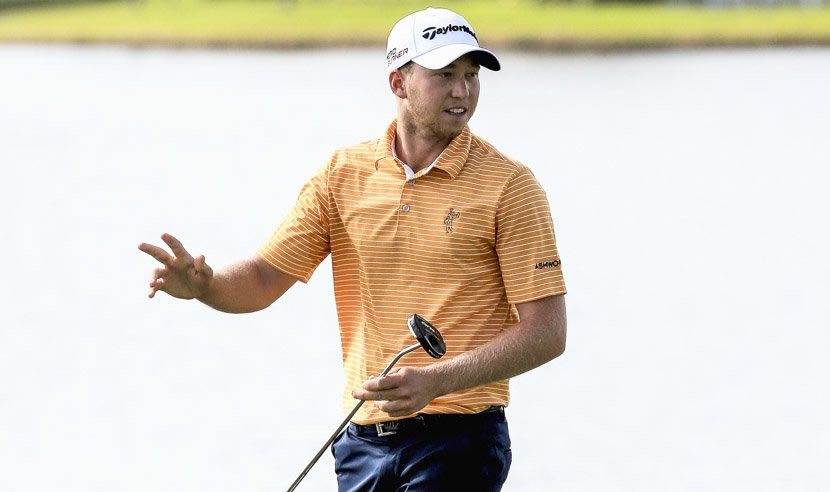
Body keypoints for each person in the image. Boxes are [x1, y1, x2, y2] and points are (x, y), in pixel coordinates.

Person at [138, 7, 567, 491]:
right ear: (398, 83)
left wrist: (436, 381)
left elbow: (547, 332)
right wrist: (207, 287)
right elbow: (262, 278)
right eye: (444, 75)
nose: (462, 91)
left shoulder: (510, 186)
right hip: (362, 440)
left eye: (471, 75)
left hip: (460, 438)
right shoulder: (343, 174)